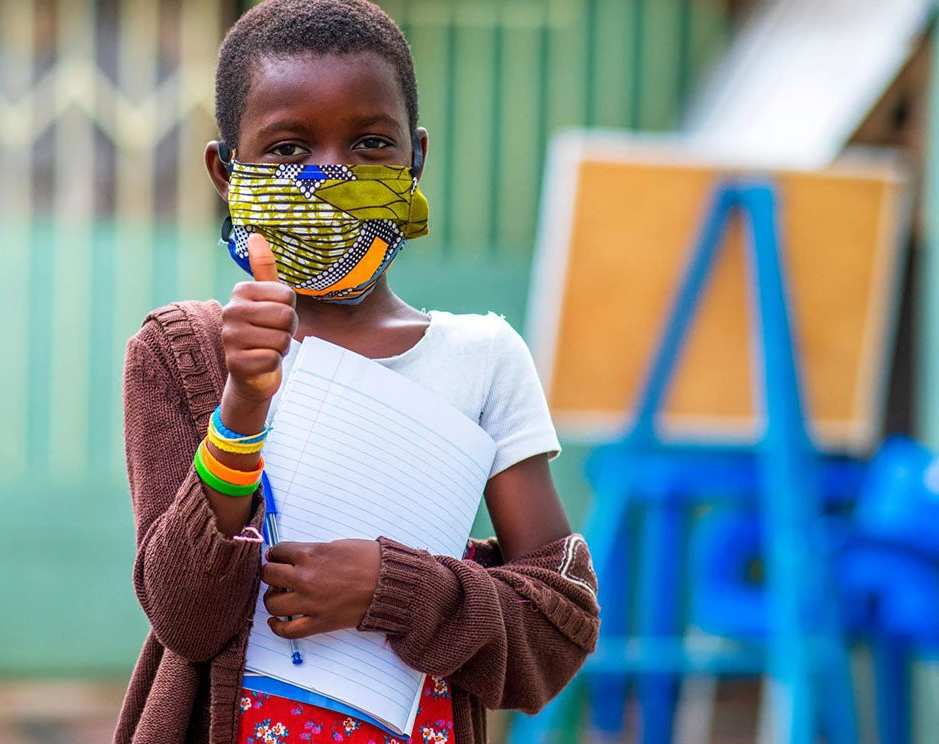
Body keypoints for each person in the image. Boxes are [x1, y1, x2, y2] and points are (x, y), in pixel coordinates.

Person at [113, 1, 599, 742]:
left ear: (416, 160)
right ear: (225, 171)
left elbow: (556, 633)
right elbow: (186, 615)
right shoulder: (183, 356)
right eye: (286, 149)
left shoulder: (482, 362)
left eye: (371, 143)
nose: (328, 177)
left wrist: (394, 589)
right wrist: (243, 404)